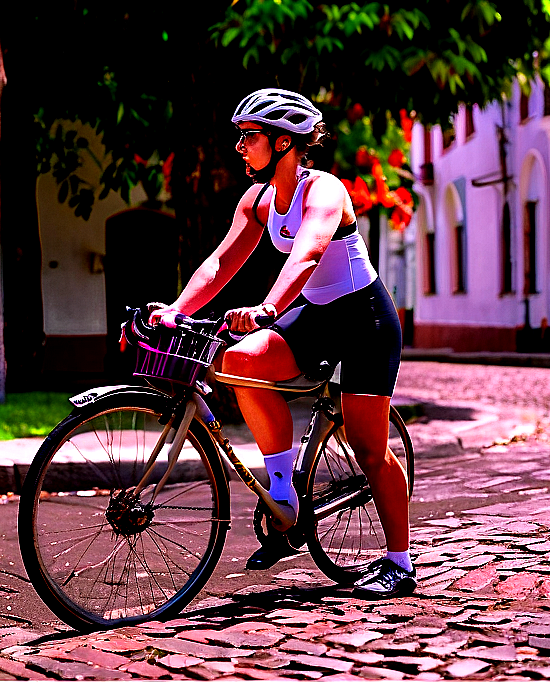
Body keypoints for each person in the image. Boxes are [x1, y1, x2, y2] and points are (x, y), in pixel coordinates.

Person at [149, 88, 415, 599]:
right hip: (316, 315)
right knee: (238, 361)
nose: (240, 147)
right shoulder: (258, 200)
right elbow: (222, 263)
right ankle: (283, 493)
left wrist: (268, 308)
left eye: (250, 137)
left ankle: (399, 562)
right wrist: (177, 309)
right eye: (241, 137)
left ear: (284, 142)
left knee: (367, 447)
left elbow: (310, 250)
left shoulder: (326, 191)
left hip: (365, 320)